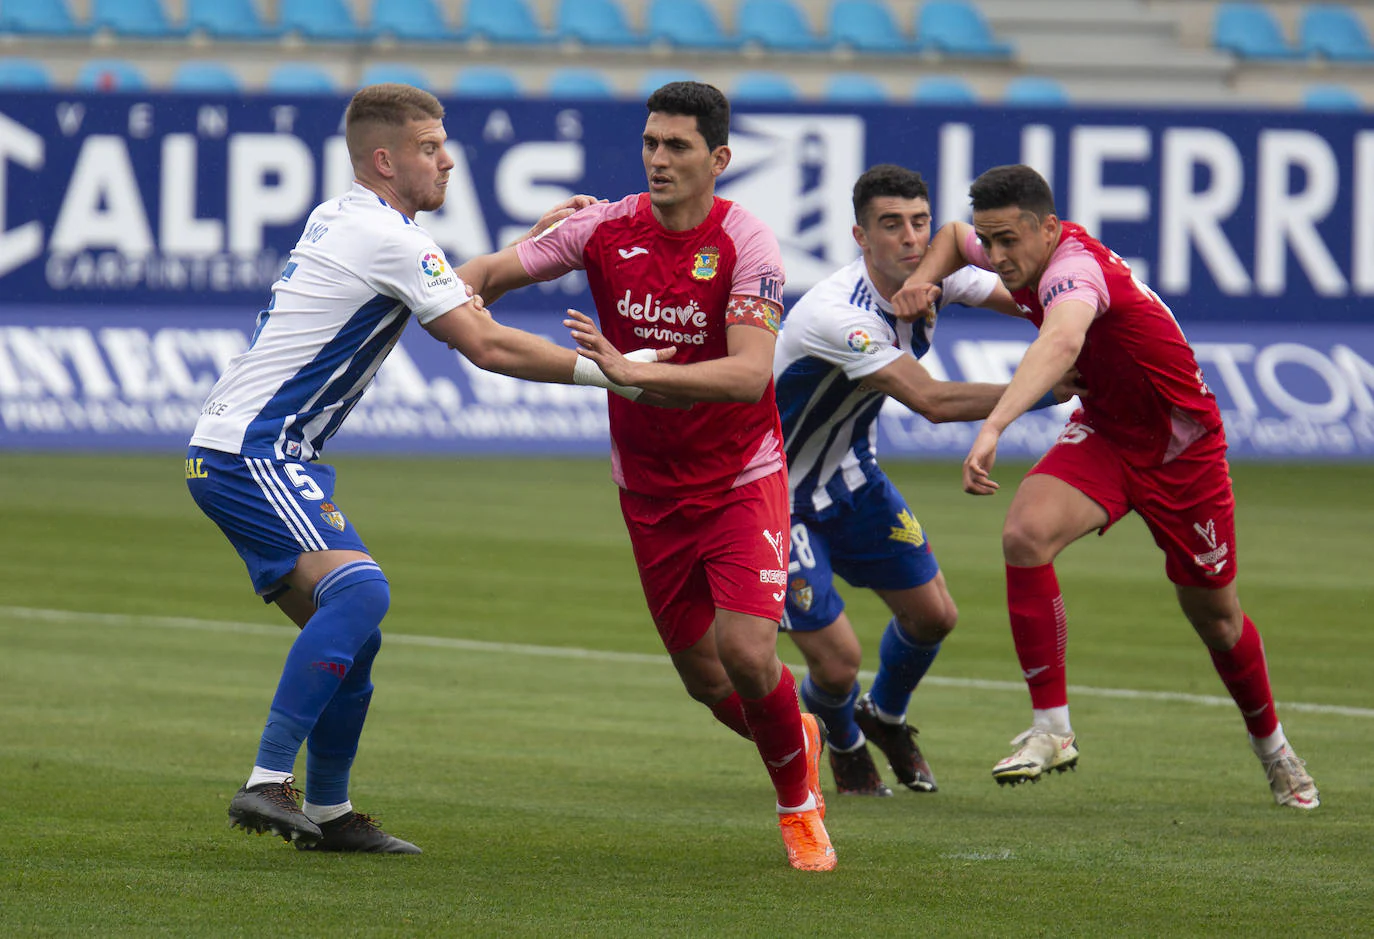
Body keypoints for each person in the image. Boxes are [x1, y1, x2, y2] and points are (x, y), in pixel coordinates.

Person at [186, 83, 672, 854]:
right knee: (361, 589)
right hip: (255, 448)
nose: (448, 160)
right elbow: (487, 344)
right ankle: (266, 779)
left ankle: (333, 812)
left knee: (356, 632)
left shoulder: (354, 219)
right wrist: (610, 373)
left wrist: (527, 243)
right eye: (429, 147)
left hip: (250, 449)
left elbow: (448, 286)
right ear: (386, 159)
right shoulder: (390, 239)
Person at [456, 81, 835, 871]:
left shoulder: (749, 245)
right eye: (650, 144)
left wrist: (630, 372)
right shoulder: (602, 228)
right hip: (650, 488)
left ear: (719, 159)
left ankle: (798, 807)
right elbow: (484, 275)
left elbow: (747, 376)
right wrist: (444, 286)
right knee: (704, 678)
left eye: (678, 147)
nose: (658, 160)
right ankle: (792, 733)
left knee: (746, 650)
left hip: (741, 474)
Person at [894, 163, 1319, 809]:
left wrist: (995, 425)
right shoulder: (1006, 244)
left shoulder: (1074, 269)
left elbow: (1062, 338)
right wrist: (924, 279)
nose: (999, 256)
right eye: (993, 241)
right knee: (1025, 533)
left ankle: (1275, 748)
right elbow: (953, 236)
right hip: (1110, 434)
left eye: (1010, 241)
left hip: (1184, 451)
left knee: (1217, 618)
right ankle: (1051, 728)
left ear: (1049, 228)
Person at [773, 164, 1076, 797]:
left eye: (919, 223)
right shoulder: (838, 314)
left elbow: (1036, 298)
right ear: (861, 236)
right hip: (775, 495)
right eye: (891, 226)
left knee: (934, 616)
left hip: (853, 477)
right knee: (837, 662)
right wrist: (1050, 391)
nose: (910, 239)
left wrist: (1092, 316)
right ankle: (846, 742)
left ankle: (882, 716)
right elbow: (932, 401)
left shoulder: (940, 279)